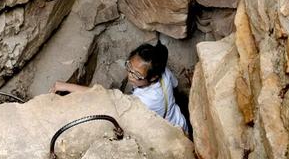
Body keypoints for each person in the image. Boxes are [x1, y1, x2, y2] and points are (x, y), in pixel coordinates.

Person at [52, 41, 189, 135]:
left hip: (172, 135)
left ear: (153, 77)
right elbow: (175, 86)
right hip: (179, 121)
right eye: (129, 66)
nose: (130, 75)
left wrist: (65, 86)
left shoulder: (145, 101)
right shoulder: (165, 73)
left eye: (136, 74)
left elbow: (104, 96)